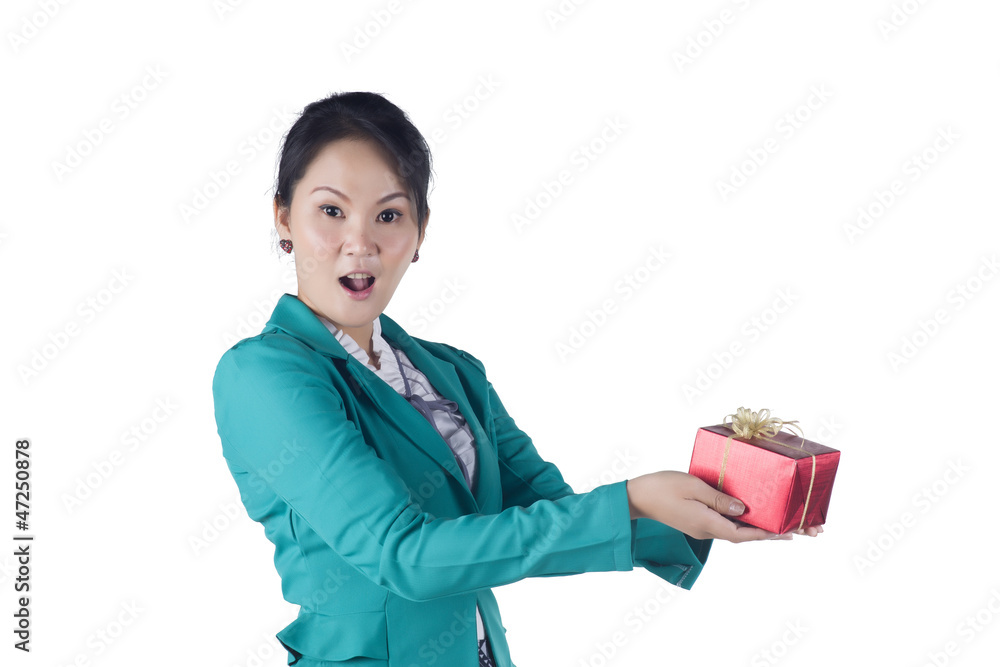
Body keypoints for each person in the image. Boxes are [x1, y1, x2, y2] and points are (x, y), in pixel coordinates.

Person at [211, 91, 822, 667]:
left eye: (389, 214)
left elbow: (552, 515)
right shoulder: (264, 376)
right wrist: (633, 498)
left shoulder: (451, 372)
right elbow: (403, 556)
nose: (360, 243)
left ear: (419, 233)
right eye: (331, 211)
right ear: (283, 217)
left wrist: (727, 501)